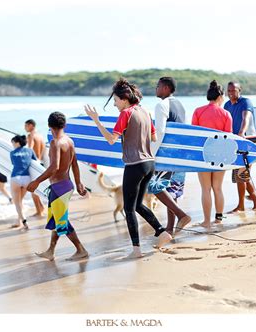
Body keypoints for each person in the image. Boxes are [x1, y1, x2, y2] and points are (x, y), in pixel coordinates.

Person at [84, 78, 173, 259]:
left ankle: (136, 250)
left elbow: (111, 140)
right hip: (149, 164)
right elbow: (154, 138)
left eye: (116, 101)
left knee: (129, 209)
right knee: (138, 204)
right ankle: (162, 232)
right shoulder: (145, 112)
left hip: (134, 165)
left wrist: (97, 121)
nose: (116, 105)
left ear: (124, 99)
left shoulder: (126, 113)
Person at [27, 112, 88, 261]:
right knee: (56, 219)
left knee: (62, 221)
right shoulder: (69, 141)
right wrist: (79, 183)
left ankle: (81, 249)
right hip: (65, 185)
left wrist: (36, 182)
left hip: (60, 187)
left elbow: (54, 167)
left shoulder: (56, 143)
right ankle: (50, 251)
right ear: (64, 125)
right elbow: (74, 164)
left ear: (49, 126)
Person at [148, 77, 191, 236]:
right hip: (180, 155)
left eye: (157, 86)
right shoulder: (180, 105)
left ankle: (182, 215)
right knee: (172, 191)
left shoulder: (162, 105)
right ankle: (170, 227)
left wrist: (151, 153)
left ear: (165, 88)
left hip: (166, 156)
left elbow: (159, 131)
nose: (156, 89)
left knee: (154, 186)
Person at [192, 80, 233, 227]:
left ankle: (206, 221)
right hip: (221, 155)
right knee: (218, 188)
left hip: (203, 155)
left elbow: (194, 136)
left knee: (206, 189)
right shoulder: (226, 114)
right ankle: (219, 218)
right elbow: (229, 138)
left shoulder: (198, 111)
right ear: (220, 96)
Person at [224, 82, 256, 212]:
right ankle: (255, 204)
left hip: (248, 142)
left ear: (239, 90)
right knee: (242, 175)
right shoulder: (227, 105)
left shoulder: (246, 102)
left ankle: (242, 206)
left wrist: (241, 133)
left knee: (242, 175)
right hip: (234, 143)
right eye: (229, 90)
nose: (231, 93)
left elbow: (245, 118)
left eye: (233, 90)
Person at [10, 134, 37, 229]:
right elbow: (35, 163)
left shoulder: (12, 153)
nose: (12, 144)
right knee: (20, 201)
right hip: (27, 178)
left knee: (17, 202)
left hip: (15, 178)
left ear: (17, 143)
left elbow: (13, 163)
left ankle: (24, 220)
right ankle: (19, 221)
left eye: (12, 142)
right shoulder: (30, 151)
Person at [24, 119, 46, 217]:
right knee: (36, 188)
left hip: (33, 164)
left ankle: (39, 211)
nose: (25, 128)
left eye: (26, 126)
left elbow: (29, 149)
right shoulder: (40, 136)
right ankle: (41, 207)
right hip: (40, 163)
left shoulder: (30, 136)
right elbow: (43, 150)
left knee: (32, 189)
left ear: (31, 125)